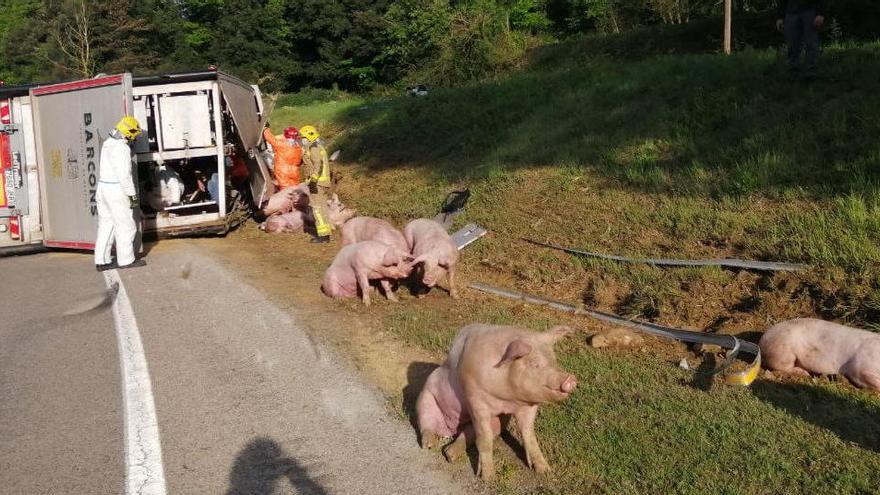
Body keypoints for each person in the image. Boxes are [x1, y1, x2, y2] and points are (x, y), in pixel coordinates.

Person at [95, 116, 145, 271]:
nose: (134, 137)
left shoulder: (108, 143)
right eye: (134, 134)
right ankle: (126, 260)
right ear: (128, 132)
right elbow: (124, 176)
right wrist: (133, 196)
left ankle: (101, 260)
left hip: (103, 188)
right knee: (126, 226)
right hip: (117, 191)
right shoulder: (122, 148)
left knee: (106, 225)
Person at [299, 125, 332, 243]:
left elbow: (318, 165)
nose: (301, 140)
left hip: (317, 183)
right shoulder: (317, 146)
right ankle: (326, 234)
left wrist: (313, 180)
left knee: (318, 209)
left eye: (302, 137)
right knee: (322, 208)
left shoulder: (313, 148)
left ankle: (323, 236)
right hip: (321, 182)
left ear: (308, 137)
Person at [776, 0, 826, 78]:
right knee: (792, 45)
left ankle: (810, 73)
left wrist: (820, 13)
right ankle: (793, 73)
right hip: (791, 13)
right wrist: (780, 17)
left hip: (810, 11)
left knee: (811, 44)